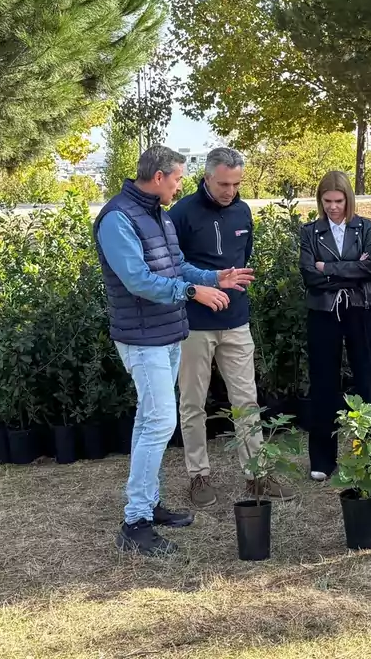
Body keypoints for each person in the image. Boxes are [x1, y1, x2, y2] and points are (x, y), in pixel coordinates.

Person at [94, 145, 255, 556]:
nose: (181, 185)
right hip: (142, 338)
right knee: (158, 424)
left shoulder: (156, 215)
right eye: (179, 178)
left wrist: (214, 277)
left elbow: (177, 266)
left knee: (150, 422)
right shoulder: (118, 219)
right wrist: (191, 292)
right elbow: (139, 280)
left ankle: (147, 505)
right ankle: (135, 522)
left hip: (166, 334)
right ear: (160, 177)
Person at [169, 147, 294, 508]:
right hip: (194, 325)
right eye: (223, 183)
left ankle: (256, 474)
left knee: (246, 401)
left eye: (236, 184)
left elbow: (243, 258)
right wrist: (207, 287)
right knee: (193, 402)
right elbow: (172, 267)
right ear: (206, 177)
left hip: (237, 322)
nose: (230, 191)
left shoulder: (242, 211)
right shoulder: (181, 214)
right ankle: (198, 476)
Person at [298, 170, 371, 482]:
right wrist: (345, 270)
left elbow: (368, 269)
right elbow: (309, 275)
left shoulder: (366, 227)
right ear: (320, 201)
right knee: (324, 382)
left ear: (348, 198)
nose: (333, 207)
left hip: (360, 310)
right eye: (327, 201)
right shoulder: (310, 232)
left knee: (367, 377)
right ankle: (323, 459)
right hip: (323, 313)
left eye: (338, 200)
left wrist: (329, 269)